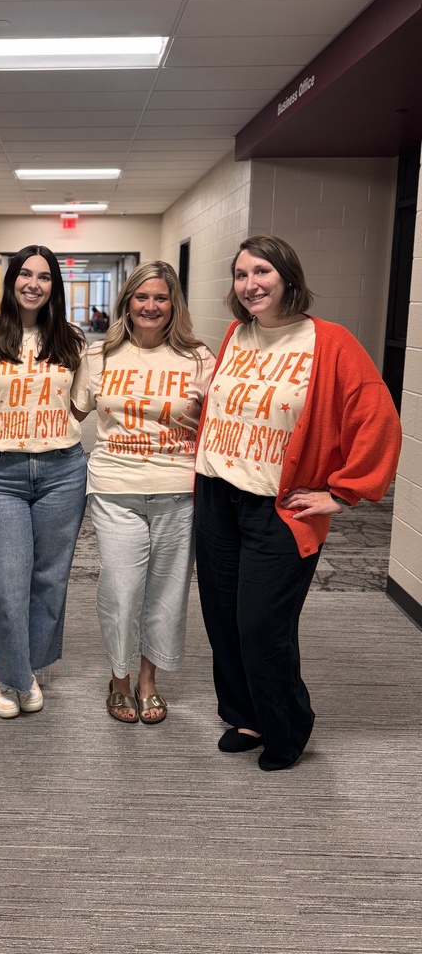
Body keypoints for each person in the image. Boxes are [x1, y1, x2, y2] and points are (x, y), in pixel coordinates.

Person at [194, 235, 402, 771]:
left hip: (278, 506)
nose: (250, 284)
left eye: (261, 271)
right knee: (223, 619)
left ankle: (287, 728)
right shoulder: (237, 335)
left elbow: (376, 416)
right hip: (218, 493)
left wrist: (342, 492)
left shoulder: (328, 341)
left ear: (287, 276)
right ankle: (245, 715)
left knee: (263, 624)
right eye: (241, 275)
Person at [73, 262, 214, 723]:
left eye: (160, 297)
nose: (150, 306)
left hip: (178, 490)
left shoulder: (198, 358)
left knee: (167, 591)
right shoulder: (98, 356)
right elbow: (67, 412)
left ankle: (148, 679)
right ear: (126, 303)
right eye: (141, 297)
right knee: (121, 589)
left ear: (174, 303)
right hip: (115, 488)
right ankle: (118, 677)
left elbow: (224, 421)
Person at [0, 244, 87, 718]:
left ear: (55, 285)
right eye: (25, 274)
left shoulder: (71, 338)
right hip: (0, 475)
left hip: (63, 471)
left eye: (45, 276)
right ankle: (10, 675)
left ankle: (25, 668)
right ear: (12, 281)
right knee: (7, 582)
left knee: (49, 580)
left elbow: (81, 403)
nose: (34, 283)